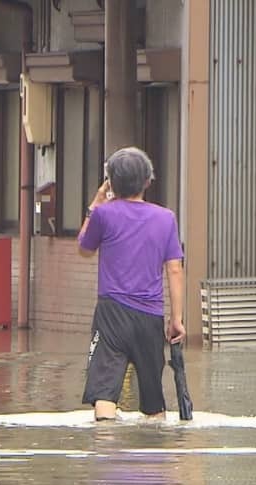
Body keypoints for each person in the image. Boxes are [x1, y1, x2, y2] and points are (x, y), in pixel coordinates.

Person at [78, 146, 186, 421]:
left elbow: (84, 248)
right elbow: (175, 270)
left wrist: (95, 204)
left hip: (111, 314)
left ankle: (104, 452)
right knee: (153, 403)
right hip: (150, 316)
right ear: (148, 181)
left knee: (104, 393)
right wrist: (177, 319)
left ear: (111, 183)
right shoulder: (166, 218)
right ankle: (154, 457)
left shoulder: (104, 215)